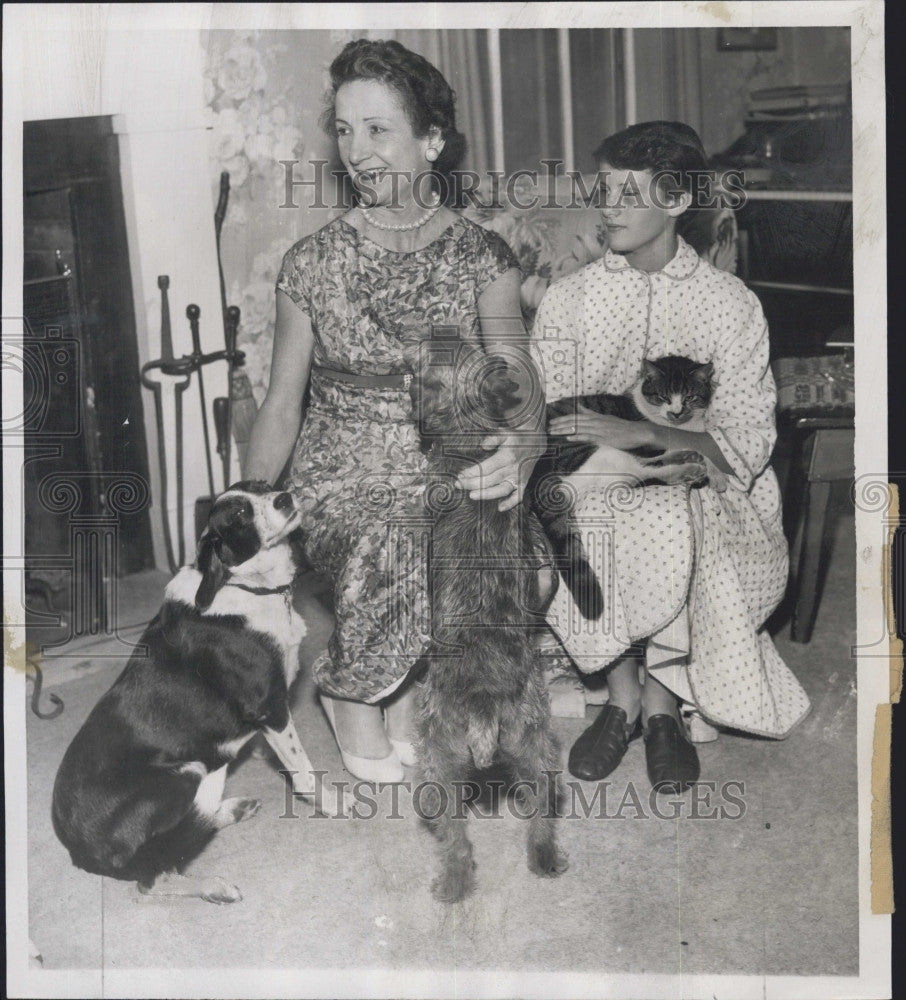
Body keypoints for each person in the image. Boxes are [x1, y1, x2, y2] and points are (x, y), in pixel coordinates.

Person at [244, 39, 542, 782]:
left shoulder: (484, 258)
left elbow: (517, 376)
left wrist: (526, 447)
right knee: (405, 523)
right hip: (342, 465)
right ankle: (351, 692)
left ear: (431, 140)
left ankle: (409, 685)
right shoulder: (309, 264)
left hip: (451, 443)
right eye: (345, 130)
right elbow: (282, 403)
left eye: (378, 129)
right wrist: (246, 509)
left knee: (509, 547)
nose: (356, 150)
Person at [531, 121, 810, 793]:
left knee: (672, 515)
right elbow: (549, 426)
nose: (610, 206)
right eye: (605, 189)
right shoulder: (572, 298)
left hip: (709, 487)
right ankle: (622, 697)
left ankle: (663, 707)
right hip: (594, 477)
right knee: (589, 508)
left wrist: (640, 437)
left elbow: (741, 444)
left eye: (630, 192)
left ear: (679, 201)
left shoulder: (730, 304)